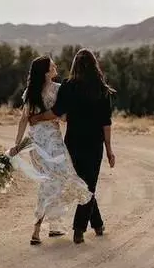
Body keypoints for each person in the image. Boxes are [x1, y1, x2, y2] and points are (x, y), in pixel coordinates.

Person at [28, 49, 116, 244]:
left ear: (75, 65)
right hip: (94, 144)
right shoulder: (102, 90)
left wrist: (37, 117)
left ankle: (97, 224)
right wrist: (109, 149)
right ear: (94, 65)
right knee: (88, 184)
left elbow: (56, 111)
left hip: (73, 142)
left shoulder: (68, 86)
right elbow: (106, 123)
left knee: (82, 183)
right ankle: (79, 229)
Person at [8, 56, 92, 246]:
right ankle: (36, 228)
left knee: (50, 181)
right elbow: (63, 117)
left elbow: (24, 119)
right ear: (46, 72)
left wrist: (17, 144)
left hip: (36, 143)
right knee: (58, 179)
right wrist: (55, 117)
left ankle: (53, 226)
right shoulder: (58, 89)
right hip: (52, 143)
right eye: (52, 65)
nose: (55, 66)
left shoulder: (30, 91)